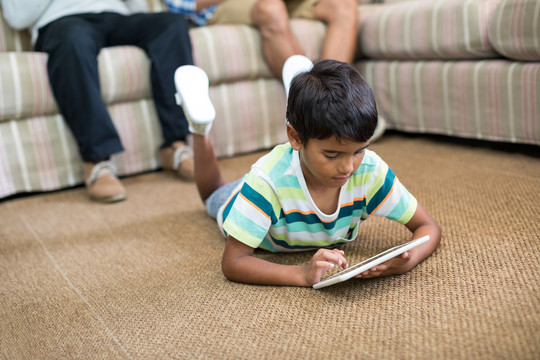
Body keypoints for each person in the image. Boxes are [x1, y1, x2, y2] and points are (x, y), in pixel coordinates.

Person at [175, 56, 441, 287]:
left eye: (359, 150)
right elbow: (234, 262)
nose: (348, 167)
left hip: (293, 165)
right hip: (244, 196)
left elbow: (428, 227)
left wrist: (408, 260)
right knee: (211, 194)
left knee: (315, 137)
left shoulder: (370, 171)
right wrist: (301, 273)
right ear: (294, 137)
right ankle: (200, 128)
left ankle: (302, 108)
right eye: (332, 154)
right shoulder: (266, 182)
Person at [1, 0, 196, 203]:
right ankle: (97, 161)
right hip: (62, 21)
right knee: (73, 40)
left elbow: (139, 9)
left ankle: (175, 145)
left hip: (115, 15)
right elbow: (17, 18)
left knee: (171, 24)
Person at [164, 0, 358, 78]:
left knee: (344, 5)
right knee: (270, 9)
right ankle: (317, 106)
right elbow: (185, 5)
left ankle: (339, 99)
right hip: (216, 6)